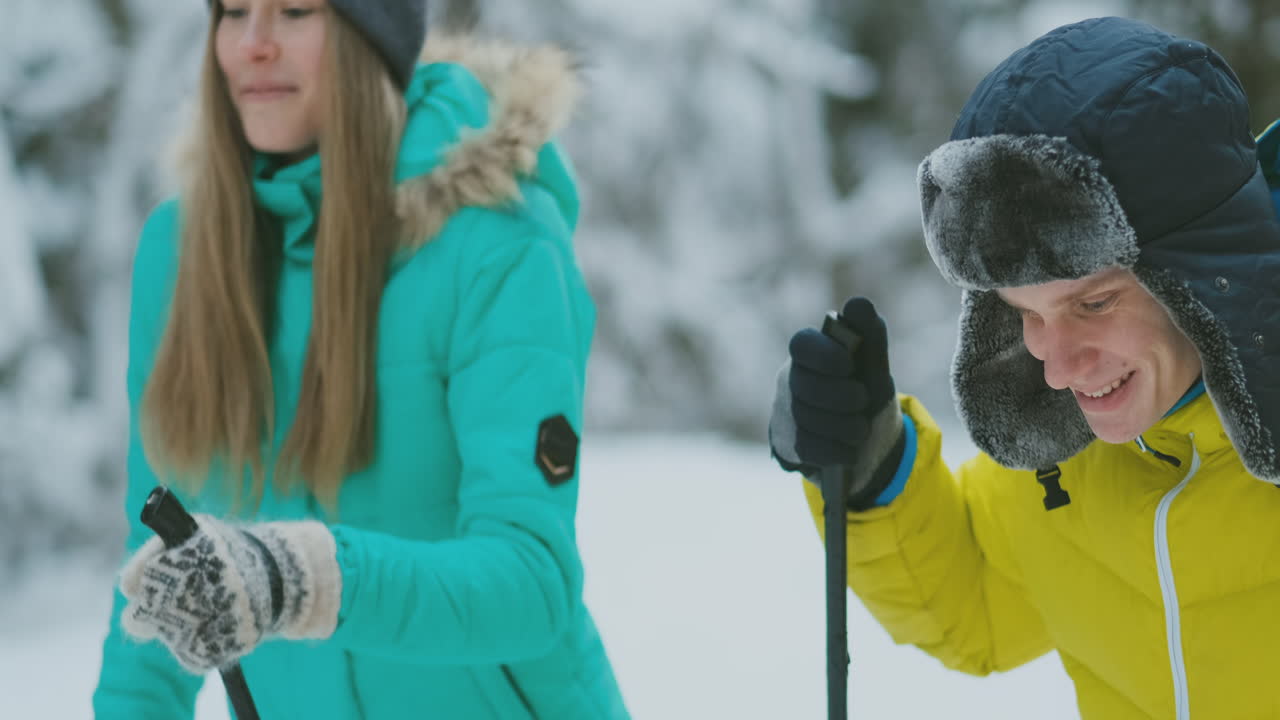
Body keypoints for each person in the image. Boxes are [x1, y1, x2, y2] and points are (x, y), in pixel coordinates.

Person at [92, 1, 629, 718]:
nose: (252, 44)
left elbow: (532, 582)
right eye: (232, 11)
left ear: (368, 35)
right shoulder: (185, 253)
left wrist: (302, 577)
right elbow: (157, 579)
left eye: (292, 10)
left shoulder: (496, 243)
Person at [769, 16, 1280, 719]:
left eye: (1093, 302)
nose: (1057, 366)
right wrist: (868, 466)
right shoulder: (1067, 464)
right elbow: (973, 604)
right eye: (1025, 314)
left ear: (1200, 271)